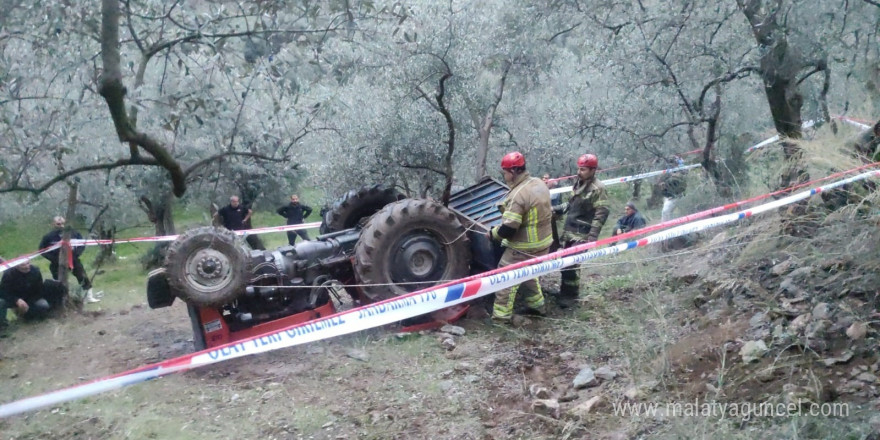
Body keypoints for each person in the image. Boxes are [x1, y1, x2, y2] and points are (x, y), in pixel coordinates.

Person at [487, 151, 554, 322]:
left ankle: (501, 317)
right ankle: (537, 306)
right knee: (528, 272)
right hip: (545, 242)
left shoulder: (518, 195)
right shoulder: (539, 183)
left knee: (505, 277)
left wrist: (492, 233)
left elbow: (508, 229)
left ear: (514, 171)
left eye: (505, 172)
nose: (504, 175)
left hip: (525, 246)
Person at [554, 154, 610, 308]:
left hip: (582, 234)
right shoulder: (579, 183)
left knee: (572, 265)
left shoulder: (598, 189)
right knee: (565, 264)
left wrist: (592, 237)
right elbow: (572, 204)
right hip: (569, 231)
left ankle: (571, 297)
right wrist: (557, 210)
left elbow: (601, 213)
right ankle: (565, 291)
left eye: (583, 169)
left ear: (593, 170)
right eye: (579, 168)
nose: (579, 172)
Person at [38, 216, 99, 303]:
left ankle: (89, 297)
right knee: (58, 281)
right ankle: (62, 299)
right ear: (53, 224)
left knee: (82, 277)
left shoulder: (74, 233)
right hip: (57, 263)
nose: (61, 226)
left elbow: (82, 244)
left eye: (63, 223)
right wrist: (53, 259)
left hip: (73, 260)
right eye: (58, 224)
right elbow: (41, 250)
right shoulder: (48, 237)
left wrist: (76, 255)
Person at [0, 261, 67, 328]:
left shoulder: (35, 271)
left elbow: (39, 290)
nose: (27, 266)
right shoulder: (8, 274)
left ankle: (26, 316)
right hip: (14, 298)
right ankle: (3, 326)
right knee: (1, 302)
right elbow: (3, 292)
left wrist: (28, 304)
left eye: (28, 263)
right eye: (23, 265)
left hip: (30, 298)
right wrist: (17, 300)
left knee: (44, 305)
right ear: (16, 266)